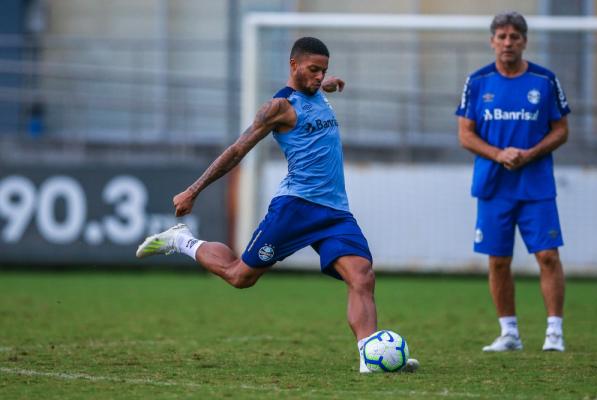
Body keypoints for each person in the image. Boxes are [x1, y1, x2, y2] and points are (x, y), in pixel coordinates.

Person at [136, 37, 419, 372]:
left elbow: (311, 93)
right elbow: (237, 151)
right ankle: (181, 240)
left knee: (361, 275)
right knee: (241, 276)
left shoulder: (315, 93)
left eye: (323, 71)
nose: (319, 77)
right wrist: (193, 190)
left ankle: (370, 356)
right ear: (293, 65)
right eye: (313, 70)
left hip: (335, 211)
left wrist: (323, 84)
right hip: (295, 207)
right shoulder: (278, 108)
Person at [456, 12, 570, 352]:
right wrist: (498, 154)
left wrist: (531, 152)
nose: (508, 43)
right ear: (492, 41)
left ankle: (554, 332)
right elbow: (465, 134)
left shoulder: (544, 80)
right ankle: (509, 333)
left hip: (535, 185)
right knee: (498, 260)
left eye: (514, 37)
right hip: (493, 185)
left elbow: (561, 130)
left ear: (524, 41)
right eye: (502, 36)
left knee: (548, 256)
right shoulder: (477, 82)